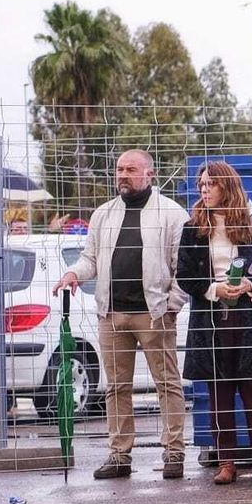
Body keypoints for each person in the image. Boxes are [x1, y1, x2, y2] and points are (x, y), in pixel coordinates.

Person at [57, 150, 190, 480]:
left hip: (155, 314)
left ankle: (174, 452)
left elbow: (183, 268)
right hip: (112, 315)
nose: (123, 175)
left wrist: (172, 305)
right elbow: (90, 259)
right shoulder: (103, 214)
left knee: (168, 384)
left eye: (131, 169)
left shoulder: (172, 214)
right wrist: (74, 274)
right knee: (116, 387)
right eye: (119, 169)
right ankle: (119, 455)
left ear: (150, 174)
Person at [177, 161, 252, 484]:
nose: (204, 190)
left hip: (246, 317)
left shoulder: (251, 224)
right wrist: (214, 289)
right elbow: (185, 275)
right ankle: (227, 462)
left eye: (211, 184)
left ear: (227, 187)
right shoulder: (193, 227)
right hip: (210, 318)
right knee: (219, 392)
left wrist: (250, 285)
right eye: (201, 185)